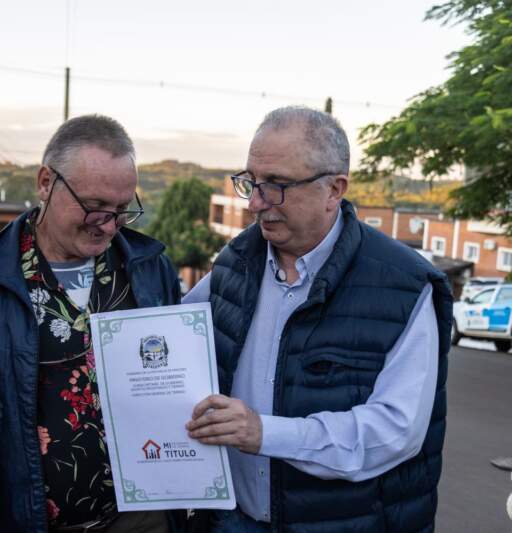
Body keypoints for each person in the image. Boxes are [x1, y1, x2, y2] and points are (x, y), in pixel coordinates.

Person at [0, 114, 182, 532]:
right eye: (94, 206)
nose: (108, 224)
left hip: (140, 521)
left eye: (123, 209)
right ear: (46, 182)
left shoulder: (150, 269)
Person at [184, 106, 453, 532]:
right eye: (251, 182)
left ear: (334, 190)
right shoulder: (234, 263)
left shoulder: (404, 286)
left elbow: (394, 432)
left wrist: (265, 433)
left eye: (276, 186)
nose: (255, 203)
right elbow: (171, 339)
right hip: (232, 521)